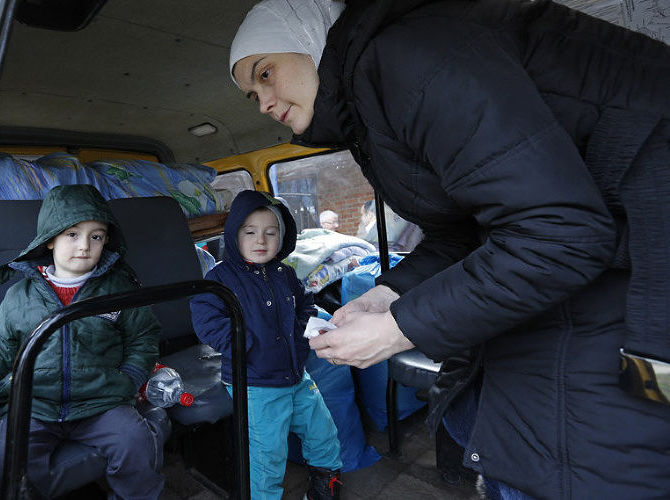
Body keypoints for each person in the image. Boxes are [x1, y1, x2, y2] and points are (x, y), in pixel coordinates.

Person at [228, 0, 670, 499]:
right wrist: (389, 294)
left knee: (623, 435)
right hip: (604, 264)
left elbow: (558, 232)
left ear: (309, 40)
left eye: (266, 73)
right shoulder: (370, 106)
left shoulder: (405, 55)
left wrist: (400, 329)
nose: (264, 101)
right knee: (524, 435)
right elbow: (469, 229)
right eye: (251, 94)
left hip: (648, 258)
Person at [0, 184, 164, 498]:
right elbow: (5, 347)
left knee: (136, 443)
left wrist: (129, 378)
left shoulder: (119, 289)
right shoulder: (21, 295)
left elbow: (143, 337)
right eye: (72, 234)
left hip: (100, 401)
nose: (84, 246)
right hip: (35, 404)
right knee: (7, 465)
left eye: (96, 236)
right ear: (50, 239)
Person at [190, 190, 343, 500]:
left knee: (322, 431)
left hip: (296, 374)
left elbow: (305, 304)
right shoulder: (219, 279)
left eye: (270, 233)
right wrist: (241, 341)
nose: (261, 240)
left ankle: (324, 485)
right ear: (234, 235)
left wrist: (304, 330)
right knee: (267, 453)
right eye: (250, 232)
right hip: (254, 381)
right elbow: (206, 318)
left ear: (282, 237)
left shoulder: (285, 274)